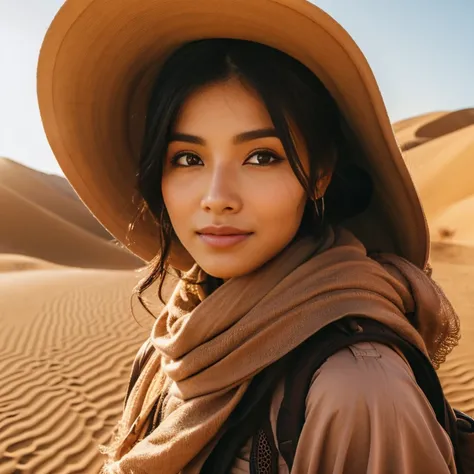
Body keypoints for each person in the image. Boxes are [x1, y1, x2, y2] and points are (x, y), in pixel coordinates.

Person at [37, 1, 462, 473]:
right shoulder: (176, 339)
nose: (217, 198)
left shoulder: (357, 390)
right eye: (188, 159)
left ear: (319, 176)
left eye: (261, 157)